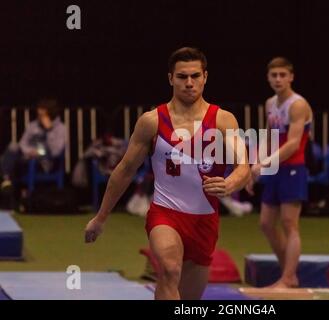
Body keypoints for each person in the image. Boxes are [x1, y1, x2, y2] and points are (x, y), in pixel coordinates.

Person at [84, 47, 250, 300]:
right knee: (170, 269)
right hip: (165, 214)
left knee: (188, 298)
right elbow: (125, 170)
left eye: (195, 76)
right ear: (171, 79)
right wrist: (101, 217)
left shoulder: (223, 120)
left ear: (205, 77)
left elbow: (244, 166)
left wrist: (229, 184)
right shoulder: (151, 121)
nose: (189, 83)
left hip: (204, 221)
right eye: (182, 77)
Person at [246, 57, 313, 288]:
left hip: (293, 167)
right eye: (274, 75)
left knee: (289, 224)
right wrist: (254, 166)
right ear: (268, 78)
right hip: (275, 167)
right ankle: (289, 274)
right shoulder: (270, 103)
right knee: (265, 223)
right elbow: (269, 137)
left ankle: (287, 277)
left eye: (282, 75)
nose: (278, 79)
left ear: (291, 77)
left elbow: (293, 144)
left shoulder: (298, 105)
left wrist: (263, 164)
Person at [0, 98, 66, 208]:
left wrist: (49, 130)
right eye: (39, 114)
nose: (40, 117)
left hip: (45, 163)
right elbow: (22, 143)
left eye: (43, 115)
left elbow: (56, 151)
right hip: (27, 158)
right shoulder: (33, 125)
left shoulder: (60, 129)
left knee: (9, 163)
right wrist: (30, 151)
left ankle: (7, 183)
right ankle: (6, 180)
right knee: (12, 148)